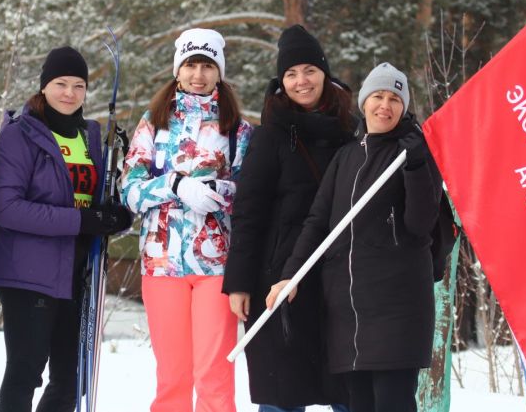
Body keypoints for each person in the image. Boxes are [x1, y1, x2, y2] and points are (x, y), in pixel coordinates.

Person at [268, 62, 442, 412]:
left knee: (392, 402)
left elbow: (420, 224)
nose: (385, 106)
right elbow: (318, 222)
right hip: (347, 309)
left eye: (395, 99)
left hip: (397, 307)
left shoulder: (415, 154)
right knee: (357, 404)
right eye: (377, 96)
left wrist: (417, 166)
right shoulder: (346, 156)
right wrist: (291, 274)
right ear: (363, 102)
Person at [0, 46, 132, 412]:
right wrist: (81, 221)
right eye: (61, 83)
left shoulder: (89, 137)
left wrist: (113, 214)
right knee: (25, 373)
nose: (69, 93)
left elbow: (90, 196)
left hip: (76, 272)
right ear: (44, 86)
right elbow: (7, 209)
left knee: (71, 380)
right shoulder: (20, 135)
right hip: (28, 271)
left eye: (78, 85)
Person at [224, 25, 354, 412]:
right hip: (279, 280)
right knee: (282, 390)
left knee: (346, 386)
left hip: (337, 277)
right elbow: (248, 211)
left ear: (324, 73)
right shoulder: (271, 137)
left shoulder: (351, 131)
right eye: (291, 74)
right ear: (281, 82)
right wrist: (240, 283)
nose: (302, 81)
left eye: (309, 71)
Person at [121, 28, 252, 412]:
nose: (198, 74)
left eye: (207, 66)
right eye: (191, 64)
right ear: (178, 70)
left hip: (215, 265)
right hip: (161, 264)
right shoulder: (154, 123)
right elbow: (129, 191)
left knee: (213, 374)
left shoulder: (237, 130)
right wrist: (176, 186)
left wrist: (217, 192)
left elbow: (248, 193)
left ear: (219, 72)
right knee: (173, 376)